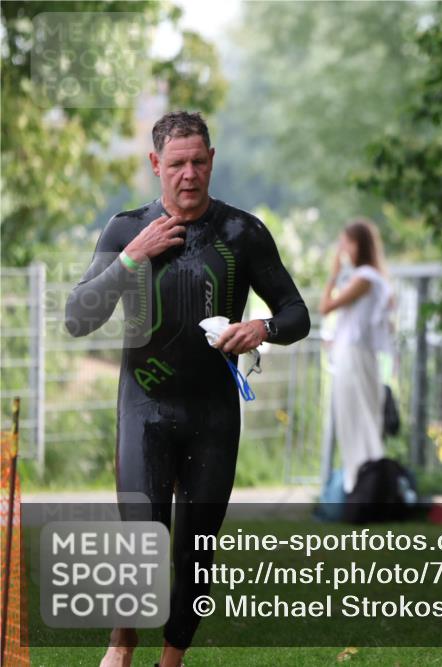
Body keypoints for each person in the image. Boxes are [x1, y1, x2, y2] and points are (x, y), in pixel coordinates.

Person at [64, 110, 310, 667]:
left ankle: (170, 660)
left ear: (213, 160)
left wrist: (262, 328)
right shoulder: (126, 229)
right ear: (156, 164)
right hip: (144, 406)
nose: (189, 174)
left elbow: (297, 313)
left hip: (213, 413)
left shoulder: (242, 233)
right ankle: (120, 647)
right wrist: (133, 257)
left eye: (199, 161)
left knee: (197, 549)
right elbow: (78, 316)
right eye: (177, 164)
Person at [319, 219, 394, 495]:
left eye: (345, 242)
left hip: (354, 358)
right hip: (361, 356)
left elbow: (325, 306)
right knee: (361, 418)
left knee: (357, 420)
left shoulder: (364, 278)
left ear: (357, 244)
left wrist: (333, 274)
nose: (342, 249)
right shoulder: (376, 278)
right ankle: (362, 487)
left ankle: (363, 487)